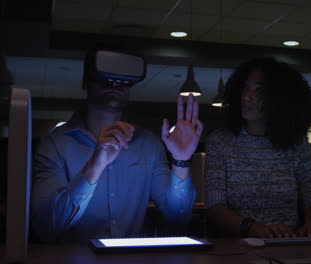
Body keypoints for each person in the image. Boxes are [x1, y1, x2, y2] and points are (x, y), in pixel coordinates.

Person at [31, 50, 203, 242]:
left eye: (123, 79)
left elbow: (178, 220)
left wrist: (181, 161)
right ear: (86, 82)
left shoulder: (149, 145)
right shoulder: (54, 144)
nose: (114, 83)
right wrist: (94, 166)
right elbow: (47, 226)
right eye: (105, 77)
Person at [205, 57, 311, 238]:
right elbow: (214, 207)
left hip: (290, 247)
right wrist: (255, 229)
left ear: (281, 98)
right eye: (245, 87)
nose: (246, 95)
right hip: (238, 250)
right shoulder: (220, 142)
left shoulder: (297, 143)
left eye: (259, 90)